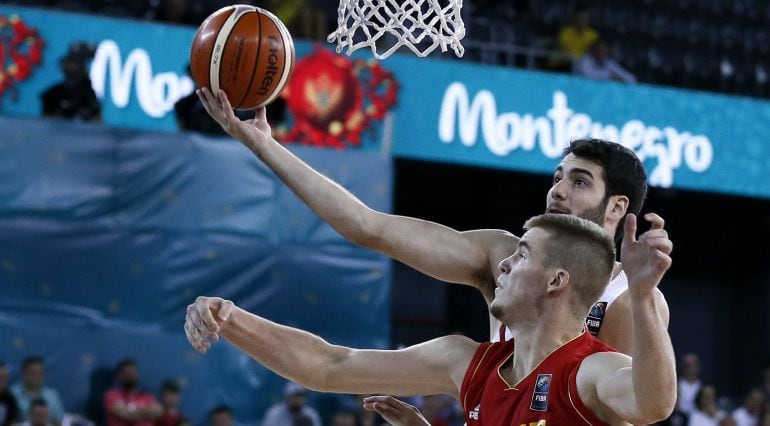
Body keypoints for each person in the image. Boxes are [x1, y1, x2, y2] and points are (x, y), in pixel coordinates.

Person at [194, 87, 670, 356]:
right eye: (557, 176)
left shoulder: (630, 302)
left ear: (616, 208)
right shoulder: (504, 259)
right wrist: (264, 145)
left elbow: (619, 412)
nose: (558, 190)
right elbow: (368, 226)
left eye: (580, 182)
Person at [185, 213, 677, 424]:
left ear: (557, 282)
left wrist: (642, 292)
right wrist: (230, 320)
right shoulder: (466, 362)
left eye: (522, 256)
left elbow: (654, 403)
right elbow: (328, 366)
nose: (503, 262)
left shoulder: (588, 370)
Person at [40, 41, 101, 122]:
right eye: (71, 63)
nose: (74, 68)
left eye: (80, 64)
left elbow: (96, 121)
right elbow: (47, 124)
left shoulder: (88, 94)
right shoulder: (53, 94)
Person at [103, 359, 162, 426]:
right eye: (125, 373)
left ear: (138, 374)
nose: (130, 375)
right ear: (118, 376)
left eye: (132, 372)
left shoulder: (148, 396)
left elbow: (158, 412)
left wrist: (132, 412)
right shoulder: (112, 395)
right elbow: (125, 415)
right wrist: (147, 412)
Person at [10, 357, 65, 425]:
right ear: (23, 373)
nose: (37, 376)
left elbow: (59, 421)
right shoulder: (11, 395)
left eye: (40, 373)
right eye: (33, 372)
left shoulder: (52, 395)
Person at [0, 361, 19, 426]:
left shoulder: (10, 399)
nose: (3, 381)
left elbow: (12, 421)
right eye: (0, 378)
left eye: (5, 378)